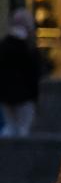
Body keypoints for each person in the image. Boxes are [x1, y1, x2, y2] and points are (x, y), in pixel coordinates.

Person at [0, 9, 45, 137]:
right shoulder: (28, 47)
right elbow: (34, 73)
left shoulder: (4, 45)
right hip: (25, 95)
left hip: (5, 95)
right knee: (23, 129)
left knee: (10, 126)